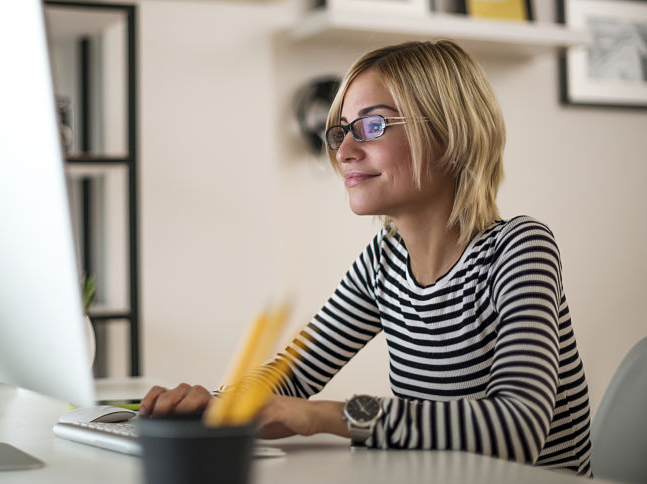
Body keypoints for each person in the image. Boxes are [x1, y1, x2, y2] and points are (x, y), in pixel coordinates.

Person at [139, 40, 592, 475]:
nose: (343, 151)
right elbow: (295, 371)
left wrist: (325, 416)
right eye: (340, 132)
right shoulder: (385, 260)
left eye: (372, 126)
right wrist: (221, 403)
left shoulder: (517, 249)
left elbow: (518, 428)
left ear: (450, 133)